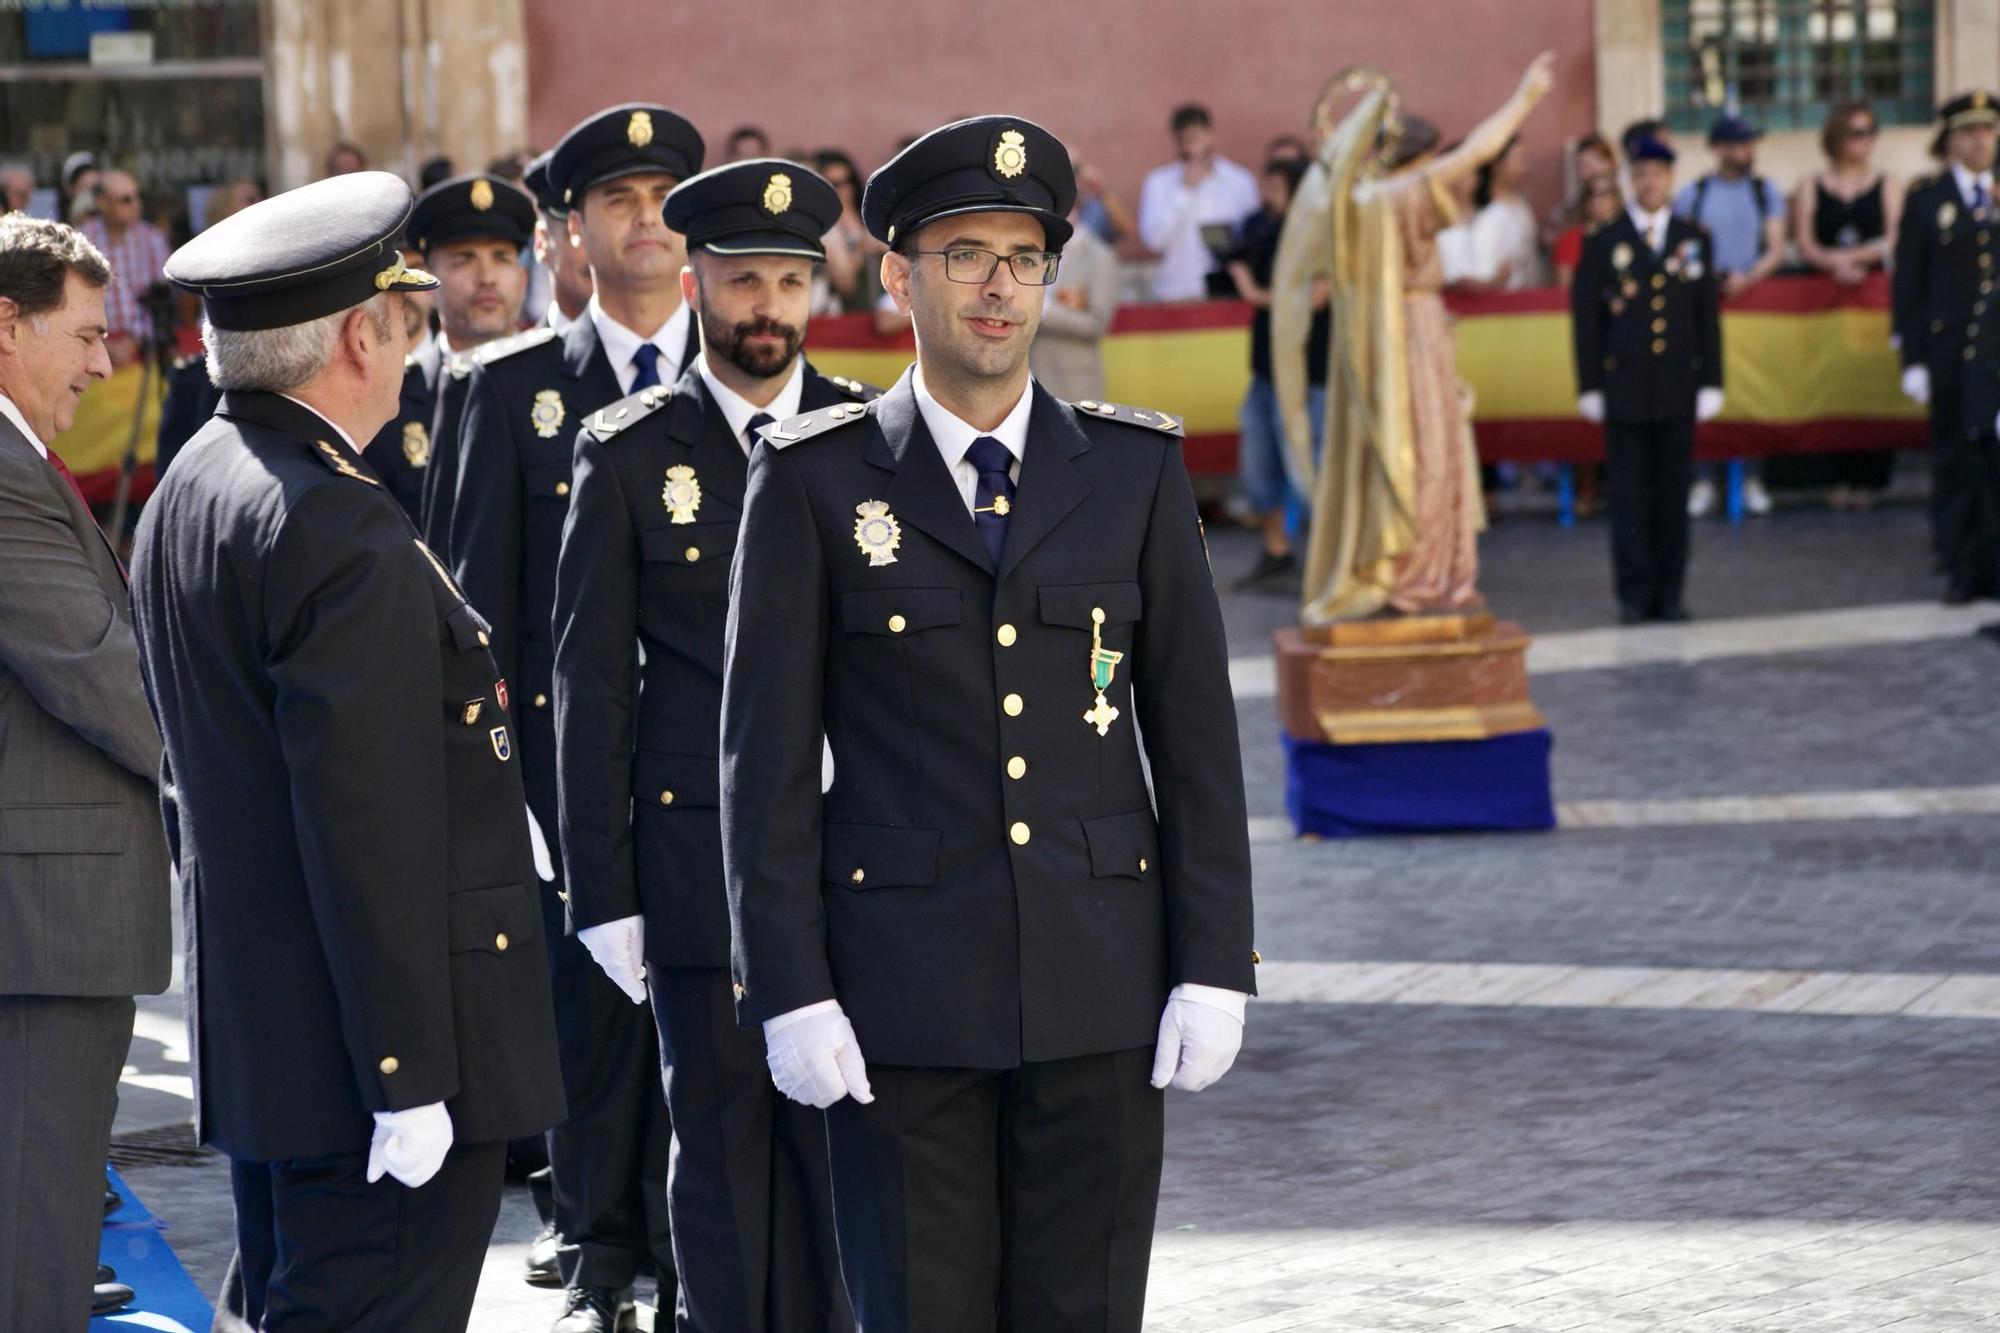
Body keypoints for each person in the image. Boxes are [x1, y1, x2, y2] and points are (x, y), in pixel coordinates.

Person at [721, 114, 1257, 1333]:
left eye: (1024, 257)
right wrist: (788, 986)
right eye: (964, 254)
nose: (999, 286)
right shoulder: (812, 480)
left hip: (1101, 990)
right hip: (903, 1004)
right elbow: (760, 759)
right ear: (899, 276)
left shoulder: (1129, 475)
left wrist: (1214, 960)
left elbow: (1192, 736)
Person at [130, 170, 565, 1333]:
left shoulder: (200, 481)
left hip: (286, 1047)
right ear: (362, 333)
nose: (415, 342)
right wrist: (407, 1075)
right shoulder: (330, 517)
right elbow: (364, 822)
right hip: (369, 1060)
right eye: (406, 315)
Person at [554, 157, 869, 1333]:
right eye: (744, 282)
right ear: (695, 284)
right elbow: (588, 685)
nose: (768, 310)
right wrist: (603, 889)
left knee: (844, 1143)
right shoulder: (630, 451)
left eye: (790, 282)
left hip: (847, 865)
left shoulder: (867, 437)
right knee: (725, 1155)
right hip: (692, 873)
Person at [450, 103, 701, 1333]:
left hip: (720, 775)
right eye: (617, 200)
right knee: (594, 1034)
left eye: (663, 197)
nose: (645, 220)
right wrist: (513, 804)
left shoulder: (758, 379)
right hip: (570, 789)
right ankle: (602, 1254)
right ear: (571, 229)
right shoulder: (508, 393)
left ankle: (705, 1254)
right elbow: (470, 622)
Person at [0, 214, 169, 1333]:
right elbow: (101, 676)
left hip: (49, 915)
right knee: (35, 1225)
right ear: (5, 323)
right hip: (41, 924)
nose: (105, 363)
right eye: (83, 333)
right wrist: (238, 757)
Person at [1573, 135, 1724, 623]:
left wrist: (1712, 380)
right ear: (1630, 180)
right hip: (1626, 389)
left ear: (1670, 179)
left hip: (1678, 386)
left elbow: (1706, 317)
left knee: (1672, 497)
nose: (1649, 182)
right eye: (1640, 174)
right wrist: (1590, 385)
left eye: (1658, 174)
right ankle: (1635, 595)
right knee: (1631, 499)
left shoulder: (1692, 238)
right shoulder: (1604, 242)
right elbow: (1586, 321)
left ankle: (1671, 592)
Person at [364, 173, 533, 527]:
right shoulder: (391, 400)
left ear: (523, 277)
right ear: (428, 285)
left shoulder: (561, 384)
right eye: (463, 259)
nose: (486, 277)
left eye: (501, 257)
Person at [1895, 91, 2000, 603]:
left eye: (1988, 130)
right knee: (1955, 463)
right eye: (1969, 132)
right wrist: (1912, 356)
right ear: (1951, 139)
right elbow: (1910, 286)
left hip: (1996, 359)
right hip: (1951, 354)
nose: (1980, 140)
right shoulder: (1928, 200)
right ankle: (1962, 569)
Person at [1796, 100, 1903, 510]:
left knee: (1868, 380)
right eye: (1857, 132)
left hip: (1870, 296)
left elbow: (1893, 237)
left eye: (1870, 131)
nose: (1865, 141)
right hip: (1826, 300)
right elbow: (1805, 240)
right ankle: (1836, 476)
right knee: (1832, 381)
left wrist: (1856, 260)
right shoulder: (1813, 183)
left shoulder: (1886, 182)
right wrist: (1833, 263)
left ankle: (1870, 480)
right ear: (1837, 136)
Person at [1674, 114, 1783, 517]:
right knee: (1704, 388)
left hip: (1751, 303)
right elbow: (1683, 248)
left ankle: (1754, 475)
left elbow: (1775, 246)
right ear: (1718, 149)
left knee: (1752, 391)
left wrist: (1748, 276)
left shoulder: (1763, 190)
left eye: (1749, 144)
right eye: (1739, 145)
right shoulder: (1694, 194)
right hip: (1707, 306)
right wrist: (1709, 280)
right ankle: (1702, 478)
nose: (1747, 152)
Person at [1228, 156, 1328, 588]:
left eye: (1275, 183)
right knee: (1258, 466)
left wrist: (1253, 291)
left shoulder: (1318, 233)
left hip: (1309, 371)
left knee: (1309, 468)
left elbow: (1316, 299)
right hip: (1267, 368)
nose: (1266, 191)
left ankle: (1328, 562)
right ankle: (1277, 551)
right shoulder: (1261, 229)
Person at [1138, 103, 1262, 300]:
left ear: (1210, 135)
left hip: (1227, 292)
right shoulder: (1158, 183)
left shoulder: (1240, 182)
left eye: (1195, 138)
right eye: (1184, 140)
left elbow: (1254, 239)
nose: (1191, 146)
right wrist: (1185, 190)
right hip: (1176, 291)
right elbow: (1155, 241)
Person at [1029, 188, 1121, 403]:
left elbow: (1098, 324)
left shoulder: (1100, 257)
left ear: (1076, 209)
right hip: (1028, 375)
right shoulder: (1033, 250)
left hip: (1074, 382)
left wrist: (1046, 311)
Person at [80, 169, 171, 368]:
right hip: (94, 354)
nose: (136, 205)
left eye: (138, 197)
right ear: (102, 203)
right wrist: (101, 343)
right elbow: (76, 303)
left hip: (145, 354)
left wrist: (135, 341)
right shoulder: (81, 242)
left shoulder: (152, 239)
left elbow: (162, 300)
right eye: (126, 199)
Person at [1472, 135, 1545, 289]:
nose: (1523, 168)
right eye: (1518, 160)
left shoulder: (1521, 204)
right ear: (1497, 166)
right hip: (1501, 305)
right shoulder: (1487, 214)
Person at [813, 149, 877, 312]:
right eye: (835, 184)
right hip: (840, 316)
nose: (845, 190)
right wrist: (861, 248)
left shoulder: (866, 214)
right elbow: (846, 285)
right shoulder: (824, 228)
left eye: (848, 181)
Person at [1554, 176, 1624, 285]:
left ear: (1616, 199)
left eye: (1606, 193)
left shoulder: (1629, 234)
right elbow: (1566, 287)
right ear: (1586, 202)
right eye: (1592, 195)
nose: (1599, 201)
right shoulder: (1572, 238)